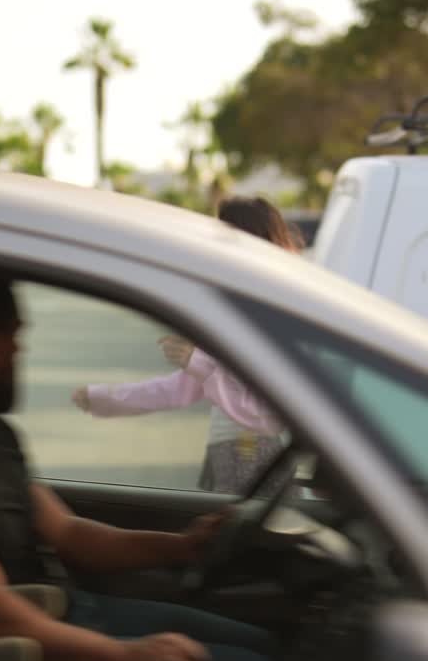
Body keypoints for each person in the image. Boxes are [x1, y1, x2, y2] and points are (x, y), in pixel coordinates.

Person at [0, 266, 276, 661]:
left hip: (71, 612)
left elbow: (67, 532)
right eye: (15, 337)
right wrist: (125, 656)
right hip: (41, 652)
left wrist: (182, 547)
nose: (17, 351)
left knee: (269, 646)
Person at [73, 196, 302, 493]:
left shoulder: (271, 315)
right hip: (232, 453)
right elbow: (180, 388)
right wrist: (103, 399)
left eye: (220, 235)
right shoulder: (235, 310)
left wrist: (199, 363)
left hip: (254, 455)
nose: (209, 245)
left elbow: (267, 415)